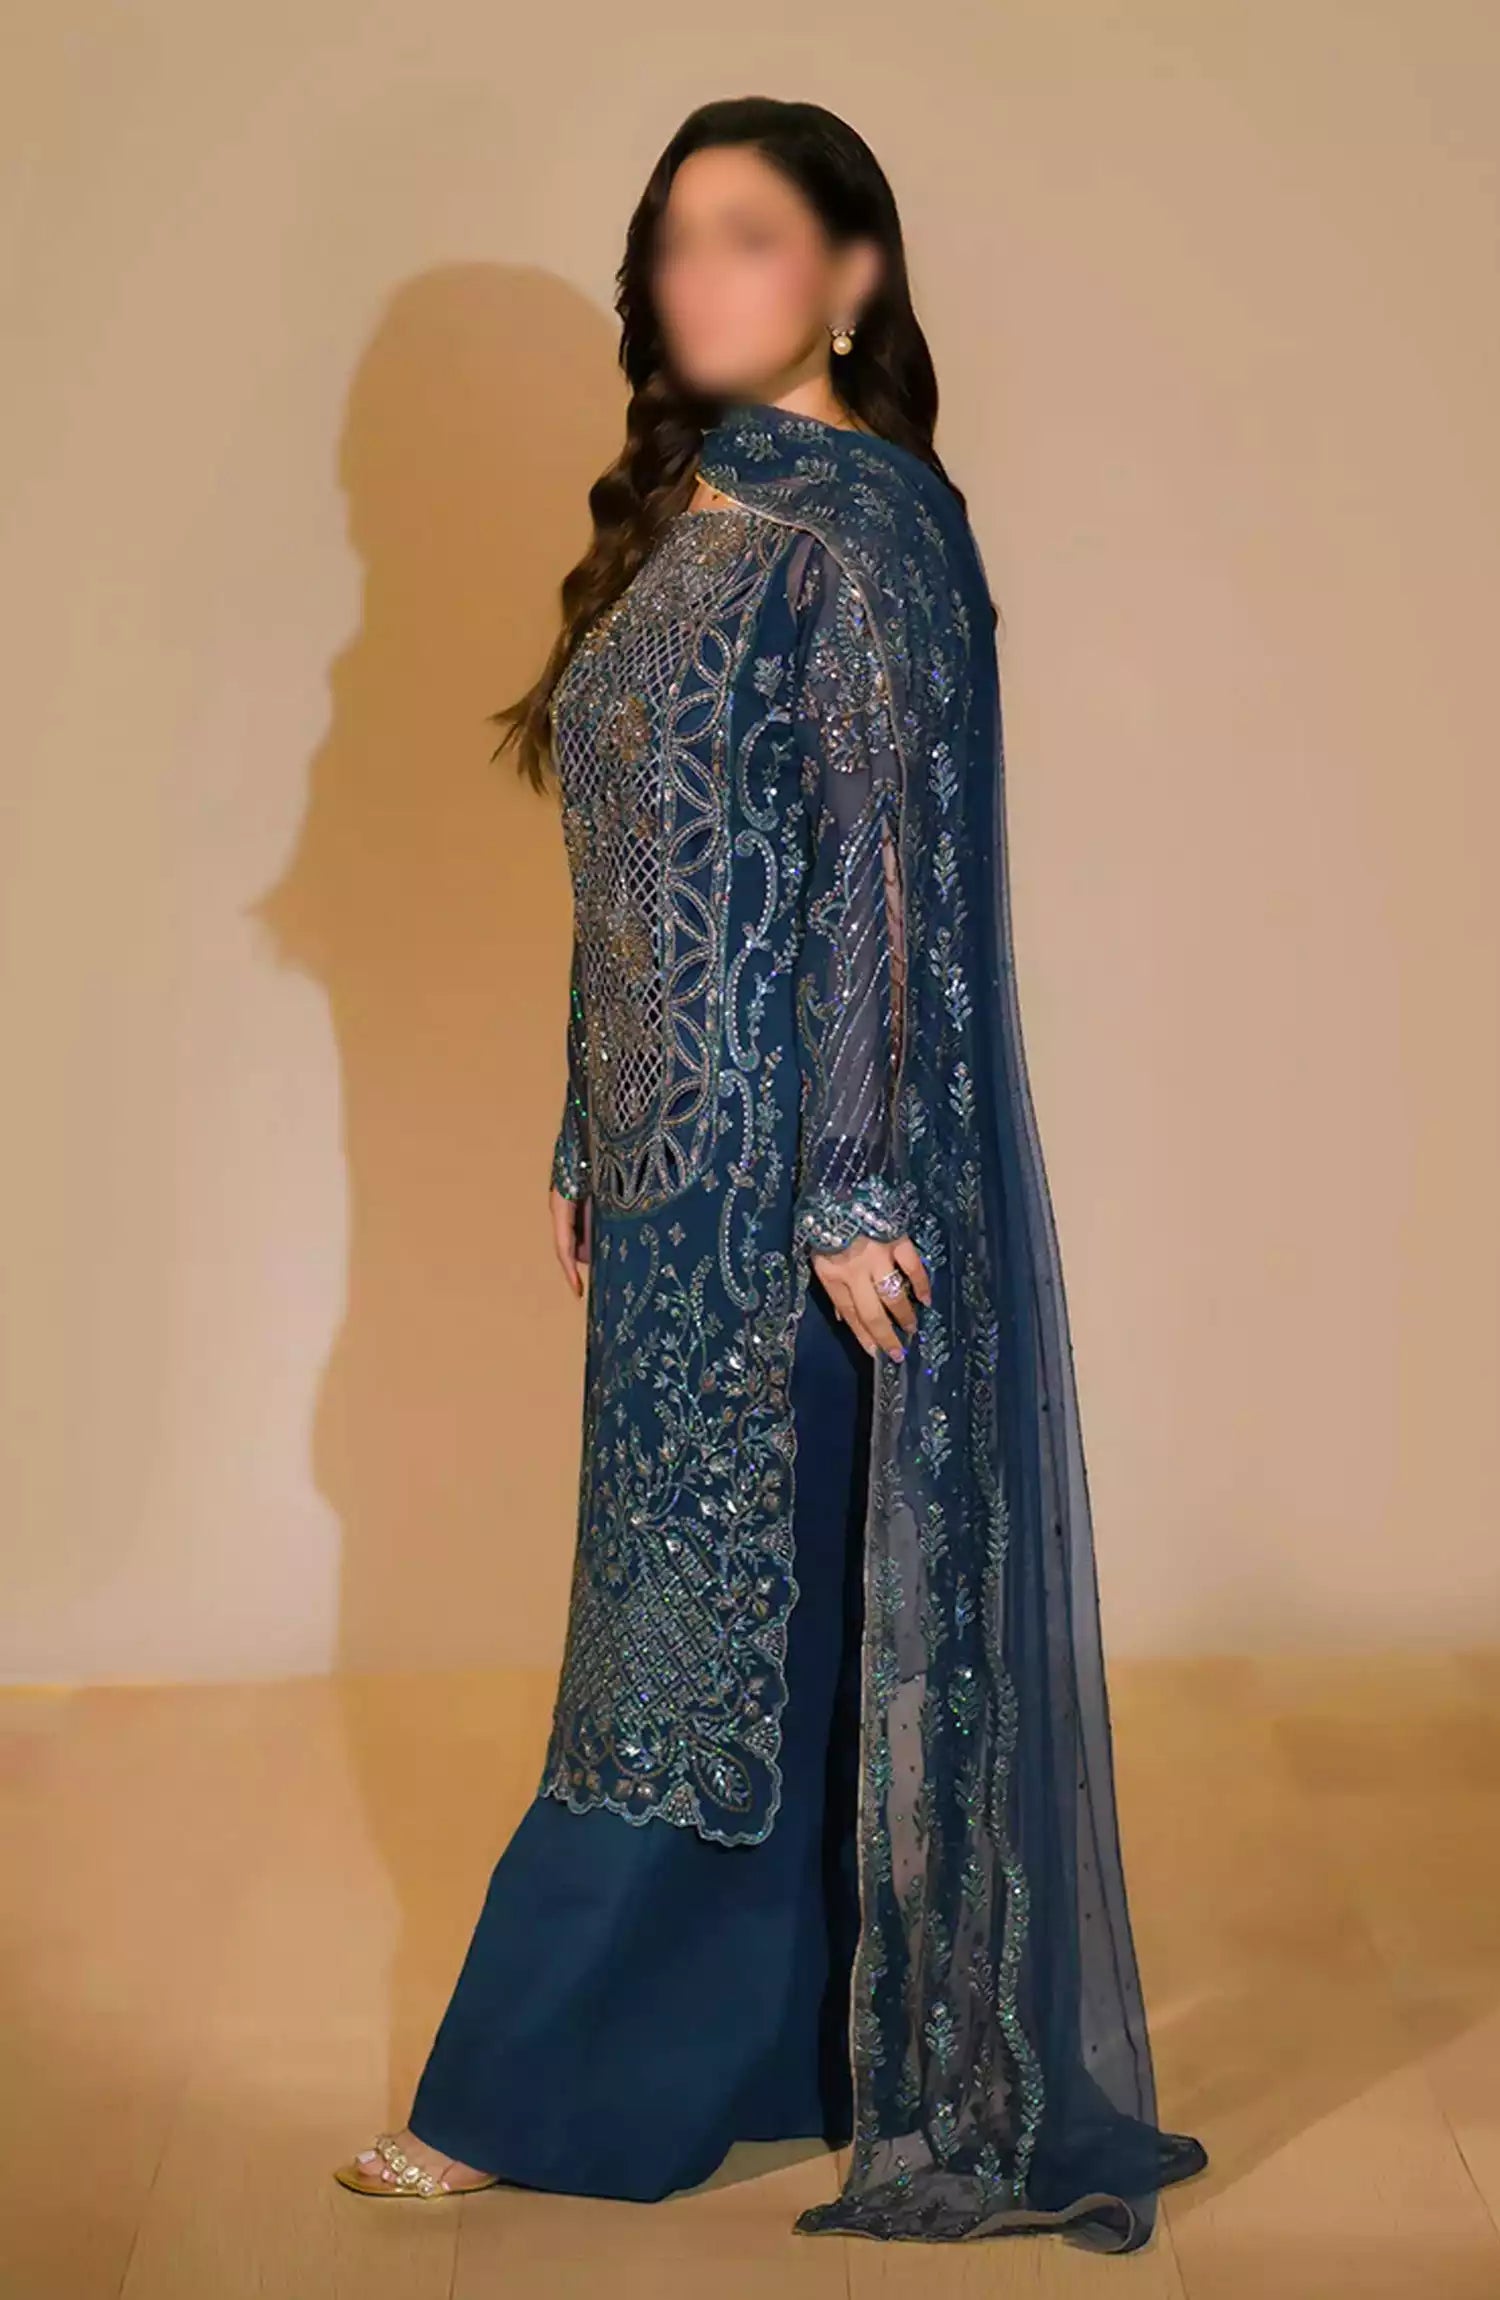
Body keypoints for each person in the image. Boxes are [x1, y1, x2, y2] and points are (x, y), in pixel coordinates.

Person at [333, 93, 1209, 2252]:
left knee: (683, 1647)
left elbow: (882, 884)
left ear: (851, 274)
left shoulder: (871, 530)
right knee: (740, 1631)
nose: (692, 277)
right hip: (666, 1186)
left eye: (744, 235)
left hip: (790, 1209)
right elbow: (638, 870)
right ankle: (783, 2055)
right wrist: (584, 1122)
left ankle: (524, 2087)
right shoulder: (691, 514)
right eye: (672, 240)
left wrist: (851, 1188)